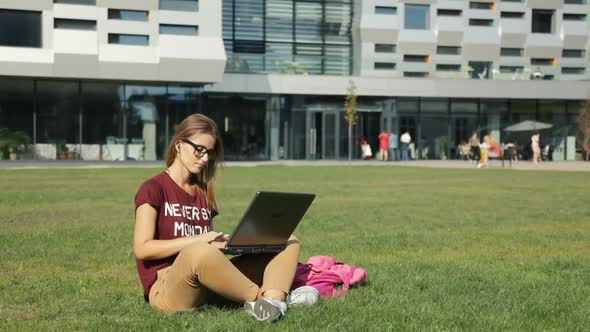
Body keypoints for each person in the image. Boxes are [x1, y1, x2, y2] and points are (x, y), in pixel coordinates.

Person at [133, 114, 318, 322]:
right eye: (199, 150)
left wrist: (232, 244)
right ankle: (265, 300)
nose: (205, 158)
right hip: (168, 288)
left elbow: (206, 251)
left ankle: (274, 300)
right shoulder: (153, 189)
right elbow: (143, 248)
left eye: (209, 153)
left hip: (205, 282)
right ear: (179, 146)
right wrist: (199, 241)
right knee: (198, 252)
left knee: (285, 239)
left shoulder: (202, 192)